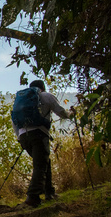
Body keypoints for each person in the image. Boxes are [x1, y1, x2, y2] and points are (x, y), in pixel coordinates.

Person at [14, 79, 71, 208]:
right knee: (40, 165)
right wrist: (71, 114)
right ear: (42, 88)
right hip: (39, 133)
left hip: (23, 135)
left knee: (44, 162)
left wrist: (19, 137)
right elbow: (61, 112)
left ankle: (49, 192)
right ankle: (32, 198)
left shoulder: (21, 100)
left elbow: (14, 119)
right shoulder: (46, 96)